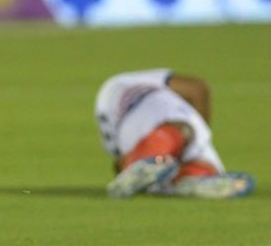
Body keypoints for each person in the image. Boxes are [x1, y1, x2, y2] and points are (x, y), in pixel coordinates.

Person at [96, 69, 256, 199]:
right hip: (140, 114)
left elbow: (119, 160)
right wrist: (199, 132)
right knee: (189, 138)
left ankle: (161, 171)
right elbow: (197, 89)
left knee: (176, 145)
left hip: (131, 131)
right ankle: (192, 176)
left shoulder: (116, 89)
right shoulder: (124, 85)